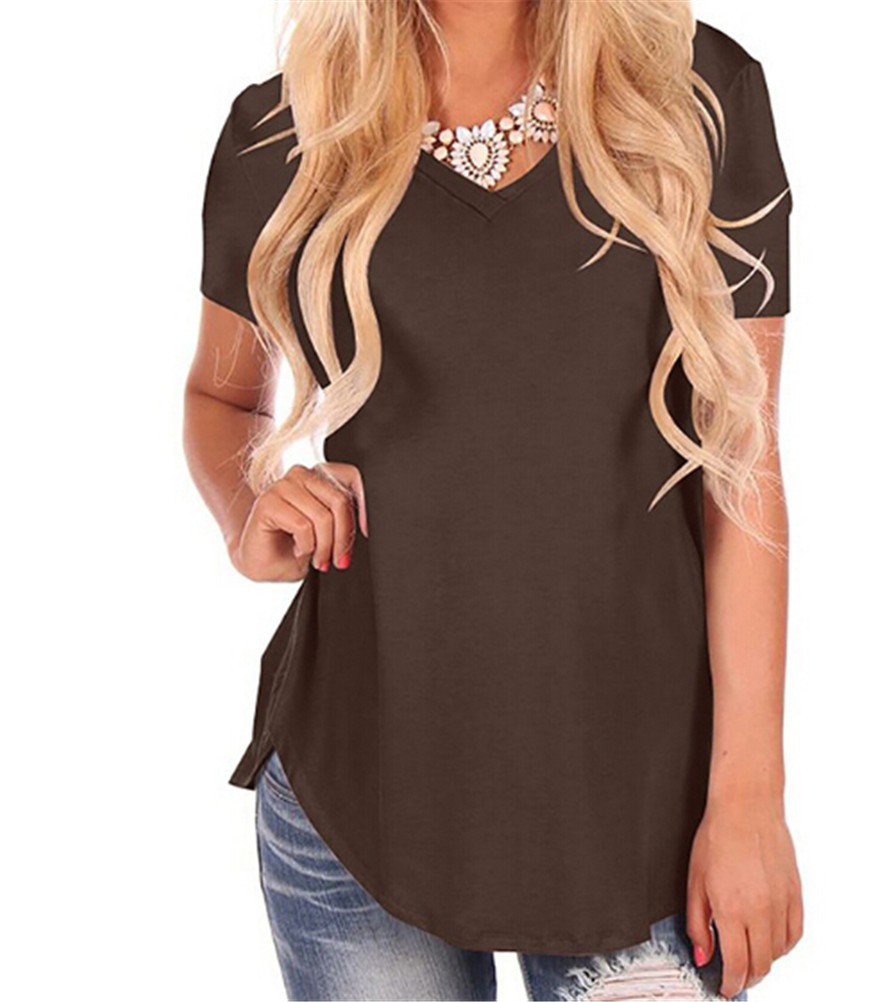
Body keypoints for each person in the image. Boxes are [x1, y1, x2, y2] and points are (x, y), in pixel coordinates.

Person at [183, 1, 803, 999]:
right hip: (360, 805)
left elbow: (744, 464)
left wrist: (749, 801)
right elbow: (220, 399)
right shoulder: (287, 127)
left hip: (639, 820)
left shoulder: (692, 92)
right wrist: (248, 509)